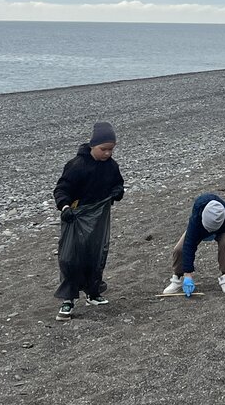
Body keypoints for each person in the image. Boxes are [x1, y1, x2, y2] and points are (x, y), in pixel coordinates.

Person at [52, 121, 125, 322]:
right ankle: (68, 299)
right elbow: (61, 189)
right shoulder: (76, 165)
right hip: (76, 216)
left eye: (111, 149)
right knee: (70, 257)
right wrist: (64, 207)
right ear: (93, 145)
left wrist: (117, 192)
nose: (107, 153)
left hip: (99, 217)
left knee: (96, 254)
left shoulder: (111, 166)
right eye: (103, 149)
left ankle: (93, 292)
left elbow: (118, 184)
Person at [161, 193, 225, 296]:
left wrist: (218, 230)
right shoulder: (196, 217)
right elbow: (189, 245)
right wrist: (188, 275)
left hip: (220, 230)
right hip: (199, 229)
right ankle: (177, 278)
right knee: (179, 249)